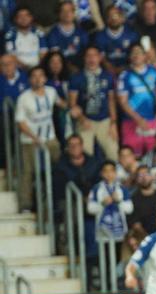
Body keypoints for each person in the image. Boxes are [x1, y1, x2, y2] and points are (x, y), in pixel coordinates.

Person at [15, 66, 63, 213]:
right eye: (34, 76)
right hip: (30, 141)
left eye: (40, 75)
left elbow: (61, 104)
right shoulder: (24, 97)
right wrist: (34, 137)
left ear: (45, 78)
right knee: (28, 172)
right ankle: (25, 205)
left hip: (50, 139)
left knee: (58, 168)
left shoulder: (51, 92)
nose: (37, 79)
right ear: (30, 80)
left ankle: (58, 200)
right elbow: (20, 122)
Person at [68, 47, 119, 161]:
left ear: (100, 57)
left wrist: (113, 123)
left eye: (94, 55)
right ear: (84, 58)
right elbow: (72, 104)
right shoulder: (77, 78)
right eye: (88, 56)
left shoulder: (108, 76)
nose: (92, 59)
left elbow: (111, 100)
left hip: (105, 120)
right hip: (86, 121)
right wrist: (82, 119)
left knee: (113, 152)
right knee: (85, 154)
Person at [117, 44, 156, 157]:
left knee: (155, 154)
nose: (136, 55)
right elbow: (123, 102)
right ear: (129, 57)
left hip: (152, 120)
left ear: (145, 56)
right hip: (131, 122)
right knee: (133, 155)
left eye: (139, 52)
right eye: (133, 53)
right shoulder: (125, 76)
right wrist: (138, 119)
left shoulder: (154, 71)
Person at [87, 161, 133, 242]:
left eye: (111, 171)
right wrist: (102, 204)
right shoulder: (96, 188)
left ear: (115, 173)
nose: (109, 174)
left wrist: (119, 202)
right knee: (105, 253)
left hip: (120, 232)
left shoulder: (122, 188)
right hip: (103, 232)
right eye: (106, 171)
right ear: (101, 173)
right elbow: (90, 209)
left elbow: (130, 209)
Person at [128, 165, 156, 234]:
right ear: (136, 179)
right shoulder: (133, 200)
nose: (144, 177)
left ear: (152, 176)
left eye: (146, 174)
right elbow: (136, 225)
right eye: (140, 175)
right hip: (143, 239)